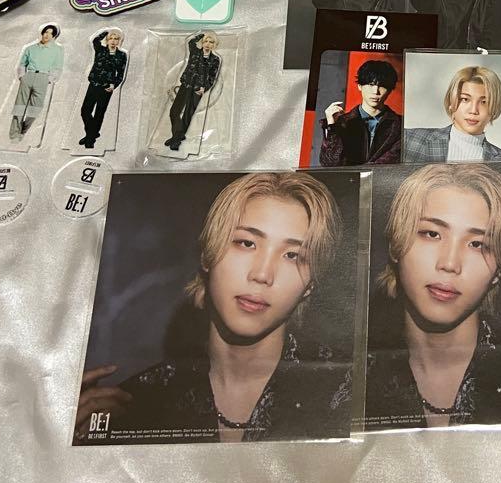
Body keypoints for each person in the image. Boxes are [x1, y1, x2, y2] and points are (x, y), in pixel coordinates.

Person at [74, 172, 348, 443]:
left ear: (311, 284)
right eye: (246, 243)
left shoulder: (347, 389)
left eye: (293, 256)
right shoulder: (138, 405)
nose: (262, 274)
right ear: (208, 254)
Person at [363, 163, 501, 429]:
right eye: (431, 234)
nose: (450, 264)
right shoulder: (354, 372)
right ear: (396, 244)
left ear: (498, 269)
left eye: (477, 244)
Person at [402, 67, 501, 162]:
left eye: (484, 102)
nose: (473, 110)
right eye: (465, 99)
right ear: (451, 101)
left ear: (494, 107)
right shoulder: (409, 140)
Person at [319, 58, 402, 166]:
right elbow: (329, 164)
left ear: (390, 90)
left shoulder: (400, 125)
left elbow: (392, 163)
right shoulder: (342, 122)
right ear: (360, 86)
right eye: (371, 84)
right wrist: (331, 126)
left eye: (382, 86)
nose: (375, 91)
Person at [165, 32, 222, 152]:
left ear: (214, 45)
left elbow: (212, 77)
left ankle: (176, 140)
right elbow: (191, 42)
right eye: (205, 41)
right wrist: (201, 35)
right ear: (202, 43)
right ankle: (177, 136)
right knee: (174, 111)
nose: (208, 44)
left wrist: (204, 88)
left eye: (211, 42)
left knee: (187, 115)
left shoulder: (215, 60)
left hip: (198, 89)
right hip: (186, 85)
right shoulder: (195, 52)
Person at [10, 23, 64, 140]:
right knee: (19, 107)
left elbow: (58, 67)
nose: (47, 35)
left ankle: (23, 131)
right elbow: (22, 64)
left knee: (35, 109)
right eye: (46, 32)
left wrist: (49, 79)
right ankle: (14, 134)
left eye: (50, 33)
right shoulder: (30, 48)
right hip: (28, 76)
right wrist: (22, 76)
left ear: (54, 36)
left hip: (43, 78)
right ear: (42, 33)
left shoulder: (57, 50)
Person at [78, 28, 127, 150]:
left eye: (116, 39)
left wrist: (114, 85)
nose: (113, 41)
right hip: (94, 84)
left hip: (106, 88)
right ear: (107, 40)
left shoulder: (122, 55)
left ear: (119, 41)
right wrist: (107, 32)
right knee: (85, 111)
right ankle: (92, 133)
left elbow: (120, 73)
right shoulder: (100, 50)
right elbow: (95, 40)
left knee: (99, 114)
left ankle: (90, 139)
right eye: (111, 38)